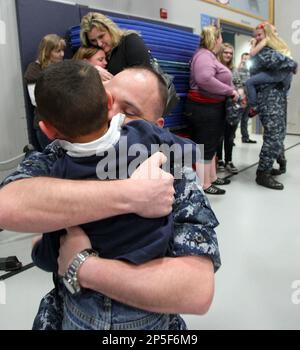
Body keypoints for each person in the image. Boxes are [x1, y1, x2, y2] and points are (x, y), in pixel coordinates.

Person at [0, 66, 220, 330]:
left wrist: (83, 267)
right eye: (109, 102)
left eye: (129, 112)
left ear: (155, 126)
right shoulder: (59, 153)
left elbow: (195, 290)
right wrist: (132, 194)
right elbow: (8, 204)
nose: (112, 117)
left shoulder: (172, 175)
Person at [184, 25, 239, 195]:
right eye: (221, 38)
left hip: (211, 107)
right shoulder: (203, 56)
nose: (222, 42)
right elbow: (204, 79)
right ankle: (205, 184)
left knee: (211, 145)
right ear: (215, 39)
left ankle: (212, 178)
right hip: (203, 107)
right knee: (205, 147)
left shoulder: (209, 56)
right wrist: (230, 91)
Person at [250, 23, 297, 190]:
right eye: (256, 36)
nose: (258, 38)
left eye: (261, 35)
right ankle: (263, 173)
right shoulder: (264, 52)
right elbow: (288, 63)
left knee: (277, 135)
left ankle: (268, 166)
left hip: (277, 98)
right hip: (269, 100)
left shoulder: (267, 51)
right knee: (273, 136)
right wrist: (292, 64)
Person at [80, 12, 151, 81]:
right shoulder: (94, 50)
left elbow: (143, 77)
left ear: (110, 30)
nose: (99, 44)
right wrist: (92, 69)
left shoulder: (130, 40)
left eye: (101, 36)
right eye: (93, 40)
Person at [24, 34, 66, 150]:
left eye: (63, 50)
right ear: (47, 52)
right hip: (45, 124)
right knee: (51, 161)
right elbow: (36, 100)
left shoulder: (61, 68)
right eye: (58, 51)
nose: (62, 54)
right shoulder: (34, 69)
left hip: (63, 122)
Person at [246, 22, 296, 117]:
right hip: (286, 74)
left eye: (259, 34)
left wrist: (253, 44)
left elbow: (252, 54)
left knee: (249, 82)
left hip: (278, 75)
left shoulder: (266, 42)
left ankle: (254, 106)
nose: (257, 38)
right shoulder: (278, 43)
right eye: (255, 35)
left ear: (267, 33)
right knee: (284, 90)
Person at [217, 43, 242, 175]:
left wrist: (240, 95)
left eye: (230, 53)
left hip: (232, 107)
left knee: (230, 136)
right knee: (219, 135)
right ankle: (219, 160)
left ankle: (229, 161)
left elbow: (239, 85)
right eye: (226, 52)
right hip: (218, 106)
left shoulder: (234, 70)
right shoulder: (215, 67)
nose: (228, 55)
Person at [237, 52, 257, 144]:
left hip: (249, 97)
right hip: (241, 98)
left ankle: (245, 137)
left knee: (245, 119)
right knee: (236, 118)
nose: (246, 60)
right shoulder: (238, 70)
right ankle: (230, 139)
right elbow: (237, 83)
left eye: (247, 59)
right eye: (244, 58)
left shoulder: (252, 71)